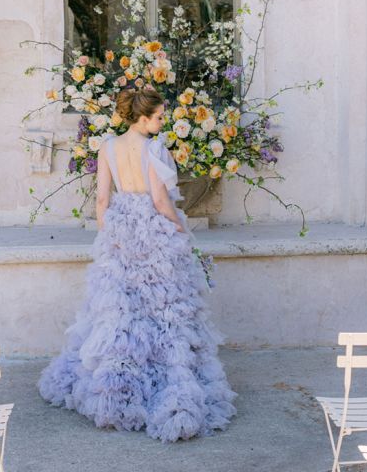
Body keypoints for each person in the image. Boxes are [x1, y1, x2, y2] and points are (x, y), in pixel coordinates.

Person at [38, 87, 237, 442]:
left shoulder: (108, 147)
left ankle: (117, 387)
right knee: (164, 309)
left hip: (119, 228)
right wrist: (182, 232)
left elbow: (101, 200)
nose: (164, 122)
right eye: (159, 117)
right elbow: (161, 200)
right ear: (143, 118)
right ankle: (163, 378)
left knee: (121, 309)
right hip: (154, 228)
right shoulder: (154, 148)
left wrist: (110, 237)